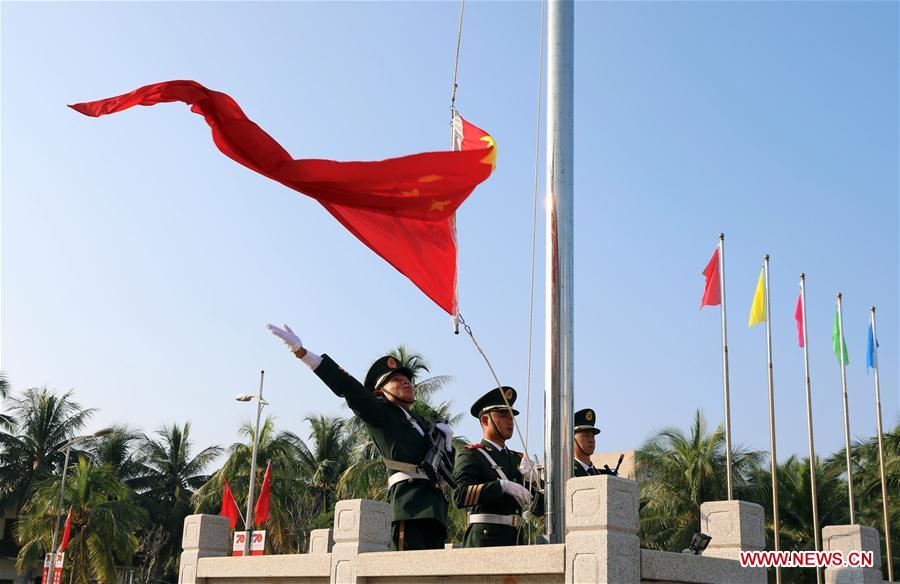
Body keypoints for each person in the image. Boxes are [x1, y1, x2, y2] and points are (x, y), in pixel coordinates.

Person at [267, 323, 452, 551]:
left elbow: (447, 469)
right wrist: (303, 354)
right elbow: (349, 387)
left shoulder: (422, 424)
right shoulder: (381, 414)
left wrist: (447, 444)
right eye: (395, 379)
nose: (406, 381)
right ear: (379, 391)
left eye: (407, 379)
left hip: (435, 510)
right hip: (409, 506)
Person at [451, 386, 544, 547]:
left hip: (515, 540)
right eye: (503, 415)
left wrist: (535, 481)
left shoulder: (517, 459)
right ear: (485, 420)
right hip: (484, 540)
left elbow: (541, 510)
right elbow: (459, 496)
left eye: (511, 416)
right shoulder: (472, 454)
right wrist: (501, 486)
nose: (510, 420)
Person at [573, 408, 609, 477]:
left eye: (593, 436)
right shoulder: (567, 473)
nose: (591, 440)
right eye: (586, 435)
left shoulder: (600, 474)